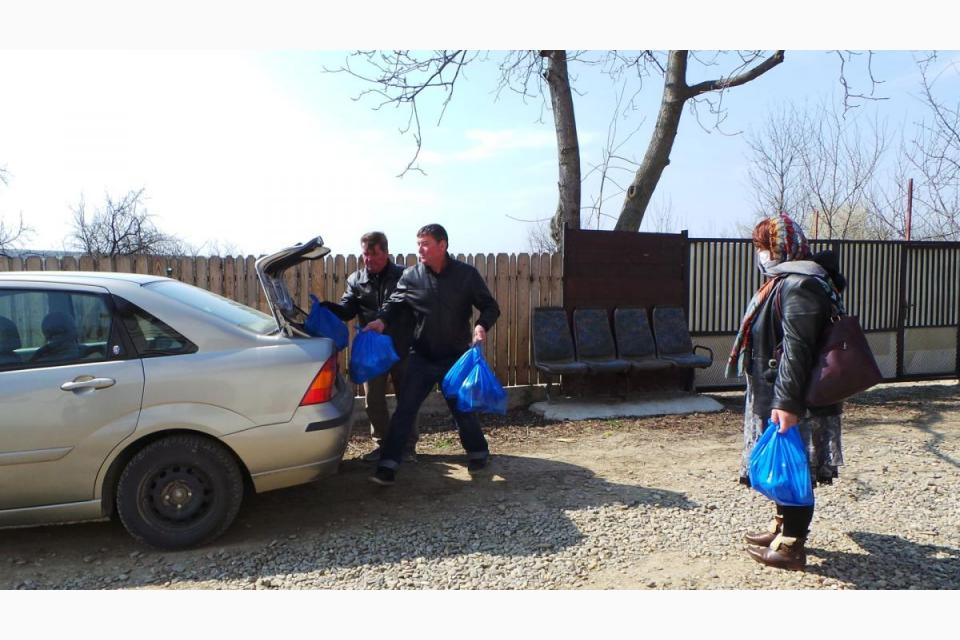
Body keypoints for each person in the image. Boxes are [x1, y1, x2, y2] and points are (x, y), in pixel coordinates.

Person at [725, 212, 847, 571]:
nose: (761, 254)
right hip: (778, 390)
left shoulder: (800, 285)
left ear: (782, 248)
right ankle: (782, 527)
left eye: (765, 247)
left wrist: (787, 403)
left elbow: (797, 349)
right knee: (783, 463)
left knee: (796, 467)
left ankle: (792, 546)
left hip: (794, 397)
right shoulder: (786, 281)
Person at [364, 223, 500, 486]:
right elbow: (394, 303)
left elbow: (490, 307)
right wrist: (381, 321)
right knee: (405, 409)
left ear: (442, 245)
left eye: (425, 244)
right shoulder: (412, 275)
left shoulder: (466, 275)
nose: (420, 249)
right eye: (418, 244)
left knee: (462, 408)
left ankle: (478, 452)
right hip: (422, 356)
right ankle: (388, 465)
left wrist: (481, 326)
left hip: (455, 356)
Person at [322, 231, 418, 462]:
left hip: (402, 346)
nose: (369, 259)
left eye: (374, 254)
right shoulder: (356, 280)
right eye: (365, 254)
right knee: (373, 399)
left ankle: (407, 446)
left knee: (407, 398)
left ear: (386, 252)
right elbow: (347, 310)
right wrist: (328, 308)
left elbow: (406, 305)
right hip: (372, 352)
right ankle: (383, 444)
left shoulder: (404, 275)